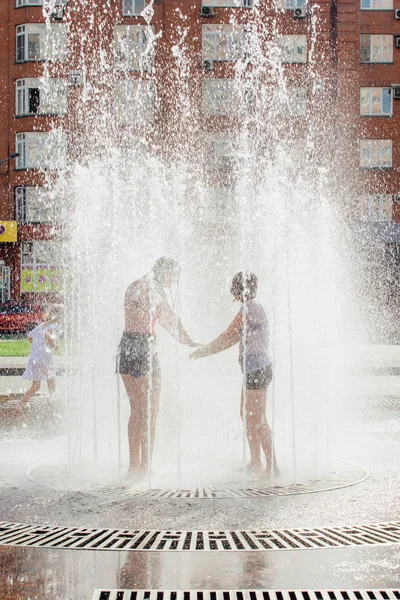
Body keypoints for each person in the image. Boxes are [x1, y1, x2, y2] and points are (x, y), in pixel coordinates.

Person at [191, 271, 279, 478]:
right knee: (247, 415)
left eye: (234, 287)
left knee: (258, 419)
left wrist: (204, 351)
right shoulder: (254, 306)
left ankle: (273, 466)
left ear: (239, 288)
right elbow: (233, 338)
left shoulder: (249, 308)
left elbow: (227, 337)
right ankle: (256, 461)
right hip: (254, 369)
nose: (232, 291)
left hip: (258, 369)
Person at [117, 257, 199, 481]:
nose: (173, 283)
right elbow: (170, 321)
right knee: (150, 412)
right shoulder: (153, 289)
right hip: (144, 347)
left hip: (126, 346)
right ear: (164, 273)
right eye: (172, 277)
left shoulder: (134, 285)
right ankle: (145, 468)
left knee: (137, 410)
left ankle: (133, 467)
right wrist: (189, 341)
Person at [18, 306, 63, 417]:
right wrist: (55, 346)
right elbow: (48, 335)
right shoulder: (54, 325)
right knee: (52, 384)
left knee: (36, 386)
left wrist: (38, 346)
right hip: (45, 360)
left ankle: (20, 405)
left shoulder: (41, 325)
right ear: (58, 316)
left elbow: (29, 337)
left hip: (35, 359)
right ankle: (52, 409)